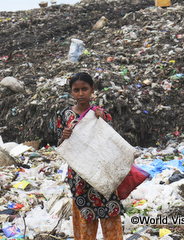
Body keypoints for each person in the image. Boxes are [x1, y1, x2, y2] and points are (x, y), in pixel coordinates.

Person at [57, 72, 124, 240]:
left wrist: (103, 120)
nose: (80, 94)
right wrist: (63, 137)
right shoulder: (65, 116)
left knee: (110, 216)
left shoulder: (100, 114)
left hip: (103, 173)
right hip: (80, 175)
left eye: (84, 89)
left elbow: (113, 141)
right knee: (84, 220)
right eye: (76, 90)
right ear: (71, 92)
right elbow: (59, 146)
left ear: (92, 90)